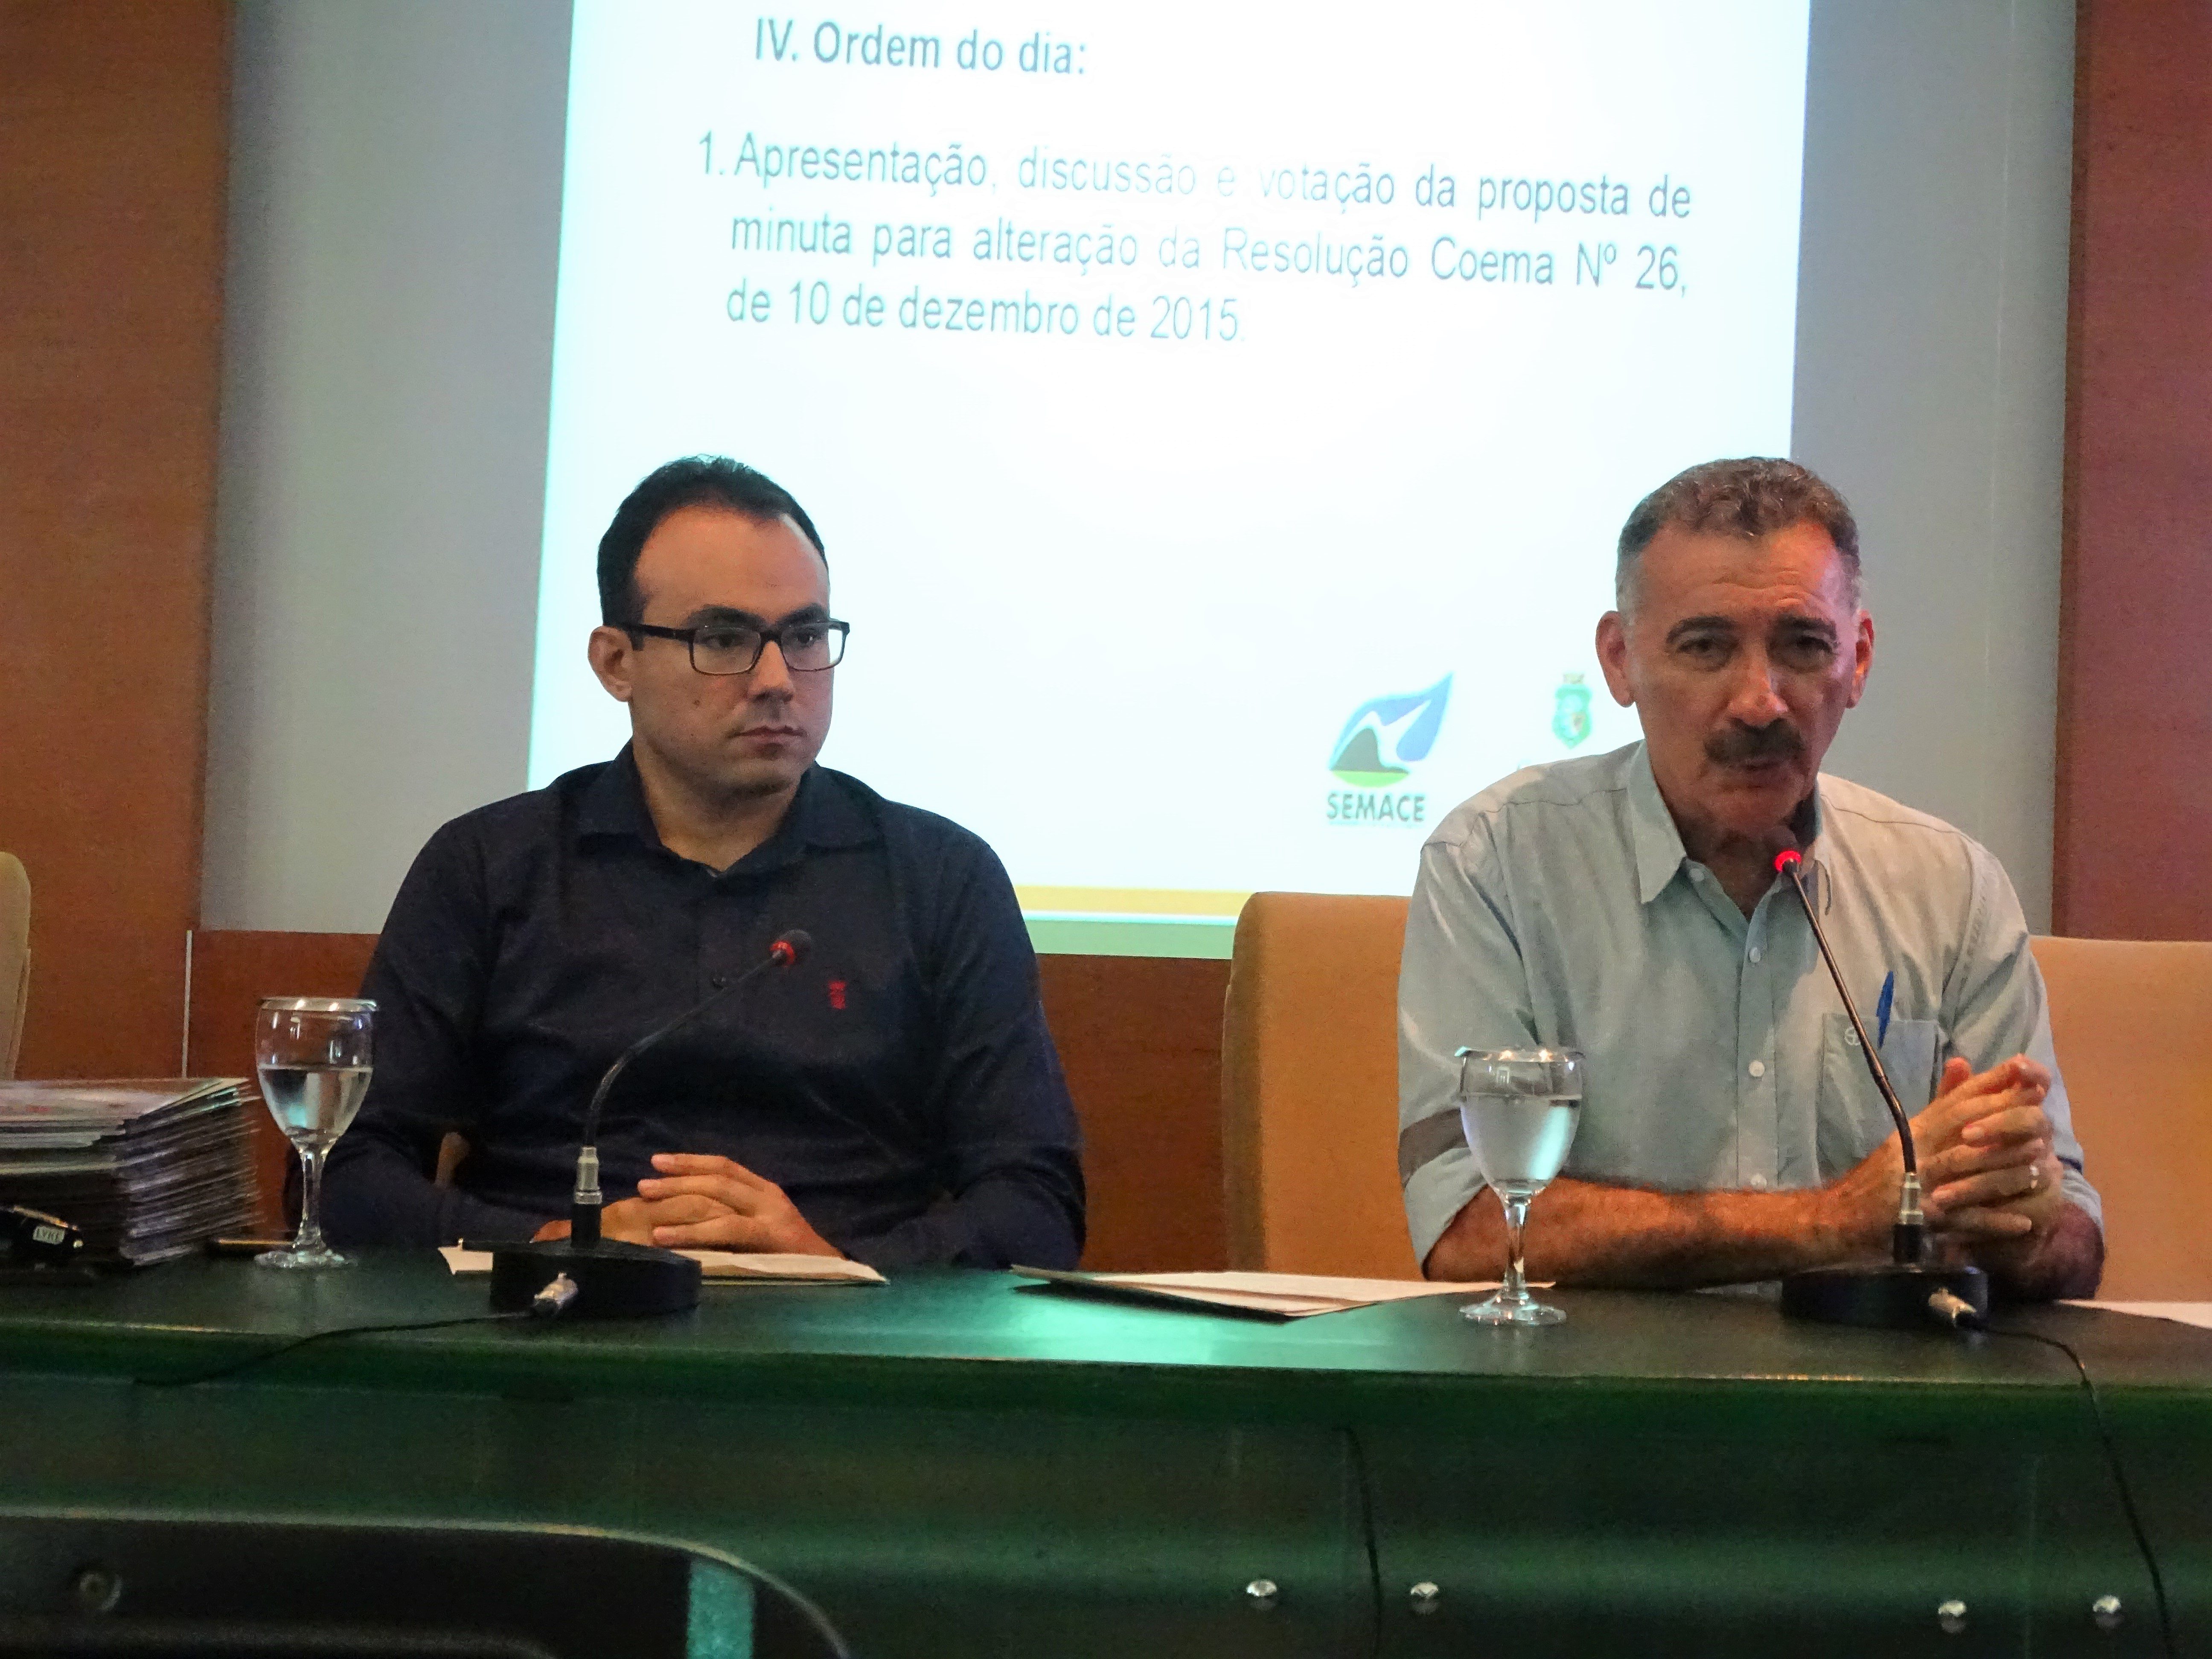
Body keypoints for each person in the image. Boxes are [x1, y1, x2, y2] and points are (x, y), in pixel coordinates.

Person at [324, 457, 1085, 1268]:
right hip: (546, 1341)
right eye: (723, 640)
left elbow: (1036, 1204)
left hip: (845, 1351)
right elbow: (345, 1172)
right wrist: (556, 1244)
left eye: (803, 637)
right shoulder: (489, 867)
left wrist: (830, 1264)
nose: (776, 680)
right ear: (616, 662)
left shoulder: (940, 879)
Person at [1398, 457, 2102, 1298]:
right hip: (1595, 1412)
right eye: (1706, 647)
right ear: (1620, 662)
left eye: (1803, 647)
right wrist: (1839, 1217)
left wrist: (2022, 1216)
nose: (1761, 702)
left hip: (1878, 1412)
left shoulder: (1950, 887)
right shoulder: (1498, 862)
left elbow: (2075, 1243)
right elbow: (1470, 1230)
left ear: (1860, 659)